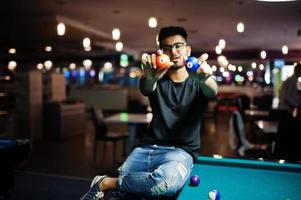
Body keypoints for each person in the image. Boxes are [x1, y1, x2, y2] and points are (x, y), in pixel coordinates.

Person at [80, 26, 218, 200]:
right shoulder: (156, 78)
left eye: (178, 46)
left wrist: (204, 79)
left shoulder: (198, 81)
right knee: (125, 195)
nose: (173, 52)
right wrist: (151, 77)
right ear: (161, 52)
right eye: (167, 48)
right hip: (146, 148)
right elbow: (146, 86)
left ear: (187, 49)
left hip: (180, 152)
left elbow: (212, 90)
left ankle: (106, 182)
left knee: (165, 184)